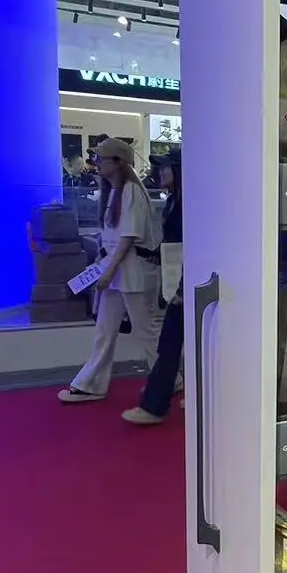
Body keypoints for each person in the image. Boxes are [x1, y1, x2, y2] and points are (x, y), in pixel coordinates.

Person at [58, 138, 161, 404]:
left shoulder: (131, 191)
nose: (96, 163)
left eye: (101, 159)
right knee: (106, 330)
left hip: (131, 271)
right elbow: (119, 237)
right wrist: (106, 267)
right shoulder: (116, 191)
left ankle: (169, 378)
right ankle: (90, 383)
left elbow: (128, 237)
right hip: (119, 271)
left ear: (118, 162)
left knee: (145, 330)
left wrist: (108, 269)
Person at [123, 150, 184, 426]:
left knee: (170, 342)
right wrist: (152, 254)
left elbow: (197, 246)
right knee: (172, 342)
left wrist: (182, 287)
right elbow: (174, 244)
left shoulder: (190, 203)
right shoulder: (174, 201)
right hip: (179, 282)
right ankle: (158, 400)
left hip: (189, 284)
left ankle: (154, 404)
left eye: (166, 168)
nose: (161, 173)